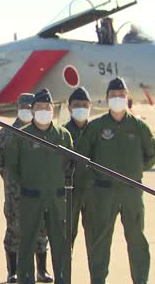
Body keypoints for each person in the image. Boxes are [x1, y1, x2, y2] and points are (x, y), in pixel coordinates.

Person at [75, 77, 155, 284]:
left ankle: (140, 279)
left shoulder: (138, 126)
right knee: (100, 240)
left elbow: (153, 152)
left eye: (121, 96)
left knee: (136, 238)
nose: (117, 99)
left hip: (131, 191)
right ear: (106, 99)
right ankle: (98, 279)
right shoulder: (96, 127)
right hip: (103, 192)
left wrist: (136, 170)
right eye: (113, 96)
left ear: (127, 98)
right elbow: (83, 155)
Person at [5, 89, 73, 284]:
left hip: (57, 197)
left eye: (47, 107)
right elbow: (12, 165)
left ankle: (62, 278)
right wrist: (27, 184)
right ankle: (25, 278)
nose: (44, 111)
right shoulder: (21, 136)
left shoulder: (62, 135)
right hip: (30, 197)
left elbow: (70, 163)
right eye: (39, 107)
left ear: (53, 110)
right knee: (27, 241)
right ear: (33, 110)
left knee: (59, 241)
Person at [0, 93, 53, 283]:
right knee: (14, 229)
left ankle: (41, 270)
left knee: (41, 229)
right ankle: (12, 271)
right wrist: (13, 181)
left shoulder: (40, 130)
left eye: (30, 108)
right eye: (23, 107)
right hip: (14, 192)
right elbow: (1, 163)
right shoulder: (6, 132)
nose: (26, 111)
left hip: (37, 189)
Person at [64, 87, 94, 270]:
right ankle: (64, 275)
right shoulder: (62, 132)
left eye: (84, 105)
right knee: (66, 237)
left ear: (90, 106)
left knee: (95, 238)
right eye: (77, 105)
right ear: (69, 107)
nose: (81, 108)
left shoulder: (96, 131)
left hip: (93, 193)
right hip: (69, 193)